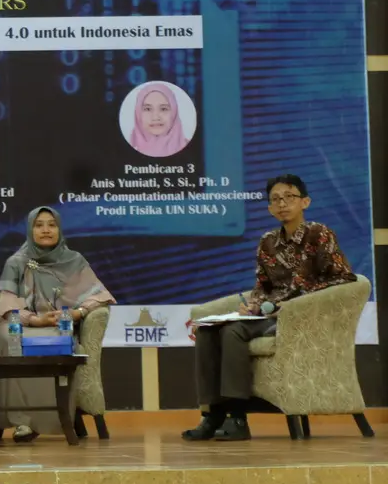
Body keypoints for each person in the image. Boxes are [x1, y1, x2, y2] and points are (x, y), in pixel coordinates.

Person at [182, 174, 356, 442]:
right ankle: (212, 414)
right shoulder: (268, 241)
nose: (282, 203)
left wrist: (297, 300)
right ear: (270, 208)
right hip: (269, 314)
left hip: (302, 316)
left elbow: (344, 278)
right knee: (207, 330)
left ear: (305, 202)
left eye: (289, 197)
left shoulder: (319, 234)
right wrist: (253, 306)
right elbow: (262, 286)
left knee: (232, 332)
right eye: (276, 199)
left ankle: (237, 417)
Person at [0, 206, 114, 442]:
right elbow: (7, 303)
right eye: (39, 225)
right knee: (12, 339)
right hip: (19, 322)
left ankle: (56, 418)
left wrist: (77, 313)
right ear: (30, 230)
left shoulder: (74, 261)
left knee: (56, 340)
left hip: (57, 322)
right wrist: (35, 319)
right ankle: (21, 421)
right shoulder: (16, 262)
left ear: (59, 229)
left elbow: (99, 296)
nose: (46, 230)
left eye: (51, 225)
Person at [128, 82, 190, 158]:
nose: (155, 117)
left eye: (163, 109)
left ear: (174, 112)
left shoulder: (192, 148)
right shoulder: (127, 151)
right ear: (138, 114)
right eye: (147, 109)